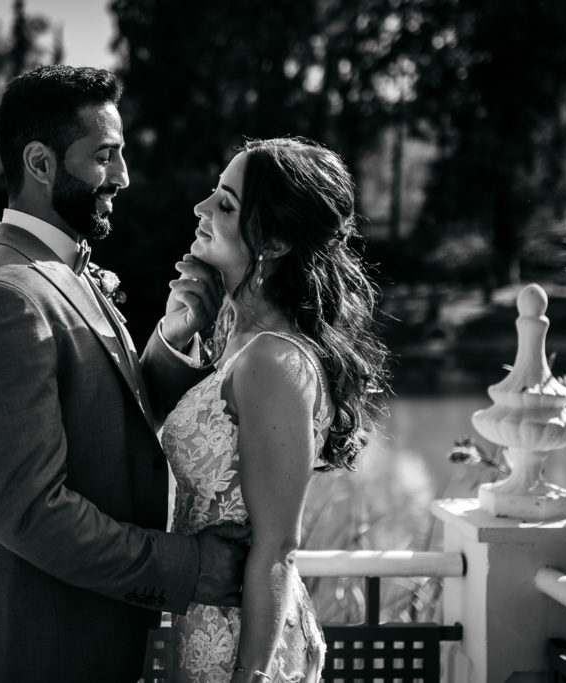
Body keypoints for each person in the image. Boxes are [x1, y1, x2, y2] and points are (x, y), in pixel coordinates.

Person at [0, 65, 247, 682]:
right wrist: (192, 568)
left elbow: (110, 418)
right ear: (41, 163)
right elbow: (29, 512)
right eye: (105, 156)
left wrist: (173, 337)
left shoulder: (68, 269)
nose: (124, 177)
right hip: (32, 647)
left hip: (89, 638)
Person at [161, 137, 388, 682]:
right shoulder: (232, 334)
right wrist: (175, 330)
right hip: (204, 620)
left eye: (226, 204)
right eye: (213, 195)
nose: (201, 209)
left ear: (278, 241)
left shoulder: (272, 360)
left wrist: (250, 676)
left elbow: (278, 547)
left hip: (245, 644)